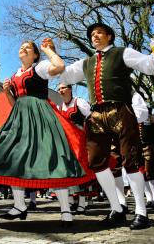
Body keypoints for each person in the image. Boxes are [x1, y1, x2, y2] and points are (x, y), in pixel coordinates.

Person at [0, 39, 95, 227]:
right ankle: (19, 205)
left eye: (28, 47)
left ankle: (65, 210)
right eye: (21, 46)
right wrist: (7, 92)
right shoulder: (15, 74)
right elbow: (16, 103)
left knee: (54, 159)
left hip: (41, 118)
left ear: (35, 54)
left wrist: (49, 50)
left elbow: (60, 66)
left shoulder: (39, 68)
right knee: (16, 159)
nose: (23, 48)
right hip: (21, 119)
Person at [60, 22, 154, 229]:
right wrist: (51, 54)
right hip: (97, 114)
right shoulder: (86, 62)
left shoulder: (122, 53)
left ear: (109, 36)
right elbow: (64, 74)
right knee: (96, 161)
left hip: (121, 110)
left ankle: (142, 213)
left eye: (99, 32)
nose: (94, 36)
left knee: (131, 160)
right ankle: (116, 208)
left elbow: (149, 66)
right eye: (92, 34)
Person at [57, 83, 91, 215]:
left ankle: (82, 203)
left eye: (63, 87)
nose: (61, 90)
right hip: (67, 144)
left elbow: (91, 118)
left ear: (70, 89)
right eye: (59, 88)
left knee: (81, 171)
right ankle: (70, 201)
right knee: (67, 172)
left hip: (81, 142)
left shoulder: (79, 102)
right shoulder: (60, 107)